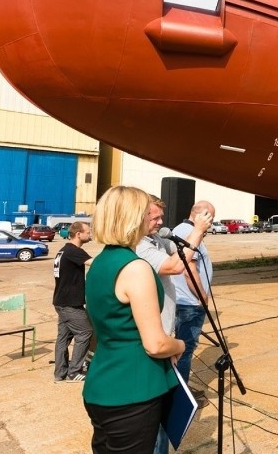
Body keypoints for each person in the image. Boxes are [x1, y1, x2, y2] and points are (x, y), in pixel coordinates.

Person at [82, 186, 185, 453]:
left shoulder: (101, 262)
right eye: (145, 213)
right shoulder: (136, 267)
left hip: (101, 384)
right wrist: (179, 345)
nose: (153, 220)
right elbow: (156, 344)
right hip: (133, 390)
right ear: (132, 218)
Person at [136, 195, 211, 454]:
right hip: (155, 339)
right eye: (154, 217)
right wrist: (198, 230)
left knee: (161, 414)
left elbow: (180, 252)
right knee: (153, 410)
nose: (160, 222)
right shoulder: (140, 247)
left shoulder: (158, 239)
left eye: (160, 216)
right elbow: (178, 264)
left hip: (163, 333)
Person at [172, 201, 216, 396]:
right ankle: (181, 392)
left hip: (184, 301)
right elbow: (189, 269)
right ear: (202, 216)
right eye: (210, 219)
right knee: (185, 349)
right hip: (190, 303)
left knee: (181, 347)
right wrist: (202, 296)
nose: (211, 224)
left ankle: (178, 388)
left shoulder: (182, 230)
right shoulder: (187, 232)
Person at [52, 221, 93, 382]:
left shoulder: (63, 251)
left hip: (61, 301)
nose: (90, 235)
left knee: (63, 338)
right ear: (78, 234)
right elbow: (95, 263)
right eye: (88, 232)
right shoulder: (73, 251)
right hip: (70, 304)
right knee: (85, 332)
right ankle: (75, 371)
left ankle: (59, 373)